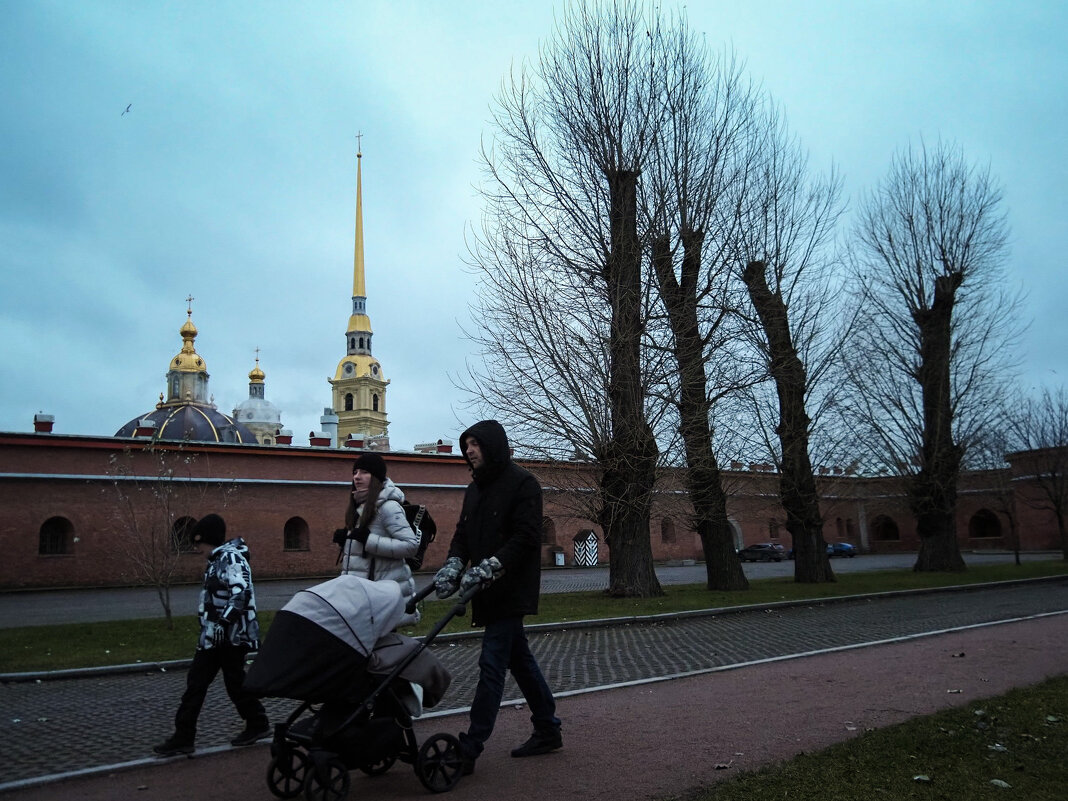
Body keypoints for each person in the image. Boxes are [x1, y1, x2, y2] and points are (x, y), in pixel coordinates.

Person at [434, 419, 562, 774]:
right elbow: (463, 533)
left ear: (492, 445)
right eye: (466, 445)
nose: (469, 450)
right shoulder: (474, 489)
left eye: (475, 444)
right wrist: (453, 565)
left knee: (492, 665)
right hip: (484, 588)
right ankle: (548, 728)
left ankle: (470, 748)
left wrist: (491, 566)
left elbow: (525, 538)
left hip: (510, 589)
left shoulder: (523, 484)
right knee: (519, 660)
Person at [153, 513, 270, 756]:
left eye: (199, 544)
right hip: (214, 636)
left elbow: (241, 594)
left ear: (209, 540)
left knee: (221, 683)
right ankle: (187, 735)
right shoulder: (217, 560)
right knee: (207, 683)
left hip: (228, 636)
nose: (198, 549)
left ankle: (255, 723)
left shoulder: (231, 559)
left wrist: (222, 623)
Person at [332, 452, 421, 626]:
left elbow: (410, 546)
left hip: (383, 596)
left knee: (383, 649)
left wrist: (368, 540)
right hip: (362, 594)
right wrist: (347, 542)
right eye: (355, 472)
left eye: (364, 472)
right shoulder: (360, 506)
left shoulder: (388, 507)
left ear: (376, 477)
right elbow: (362, 557)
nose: (357, 477)